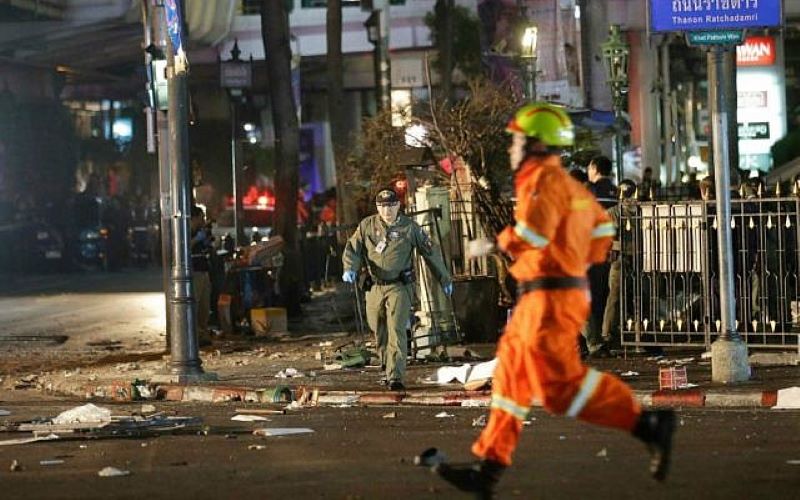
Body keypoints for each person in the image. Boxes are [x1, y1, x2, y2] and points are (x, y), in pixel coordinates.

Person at [430, 102, 676, 498]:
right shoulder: (567, 186)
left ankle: (646, 424)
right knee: (510, 380)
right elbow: (601, 234)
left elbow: (533, 234)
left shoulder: (541, 180)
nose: (511, 147)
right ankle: (487, 470)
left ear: (536, 144)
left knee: (558, 390)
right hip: (546, 295)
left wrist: (495, 243)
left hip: (549, 298)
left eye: (516, 140)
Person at [341, 188, 453, 391]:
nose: (387, 210)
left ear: (398, 205)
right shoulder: (367, 225)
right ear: (377, 207)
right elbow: (353, 248)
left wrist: (444, 278)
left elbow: (430, 252)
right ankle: (386, 366)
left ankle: (396, 376)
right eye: (383, 206)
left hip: (399, 286)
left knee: (397, 329)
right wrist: (350, 268)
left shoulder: (409, 228)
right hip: (374, 287)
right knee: (378, 328)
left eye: (391, 205)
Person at [584, 156, 617, 357]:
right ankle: (606, 336)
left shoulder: (592, 191)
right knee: (604, 295)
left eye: (589, 167)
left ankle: (594, 340)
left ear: (595, 168)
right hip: (611, 250)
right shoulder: (615, 191)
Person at [601, 179, 637, 349]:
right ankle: (608, 333)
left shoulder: (640, 211)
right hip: (620, 258)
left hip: (638, 257)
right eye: (624, 194)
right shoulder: (612, 213)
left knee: (639, 297)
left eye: (629, 194)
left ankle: (639, 332)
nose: (627, 198)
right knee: (615, 296)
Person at [190, 205, 213, 346]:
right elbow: (186, 247)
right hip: (195, 271)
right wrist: (197, 239)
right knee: (195, 304)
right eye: (201, 217)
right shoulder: (187, 232)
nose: (203, 220)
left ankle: (202, 333)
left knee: (205, 306)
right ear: (195, 218)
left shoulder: (201, 232)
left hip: (204, 270)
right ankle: (195, 335)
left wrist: (207, 241)